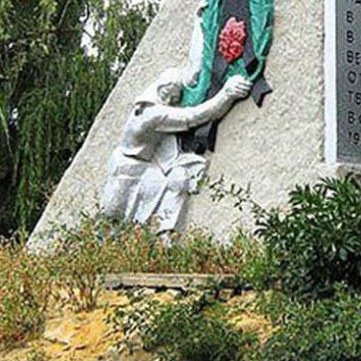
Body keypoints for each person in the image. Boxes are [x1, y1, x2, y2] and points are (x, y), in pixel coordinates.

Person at [100, 67, 251, 235]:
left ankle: (164, 233)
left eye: (174, 97)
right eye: (167, 94)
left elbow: (191, 73)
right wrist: (226, 94)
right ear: (159, 88)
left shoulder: (150, 102)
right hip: (127, 172)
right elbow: (193, 116)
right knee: (112, 220)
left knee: (178, 180)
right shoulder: (151, 114)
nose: (170, 101)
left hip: (147, 167)